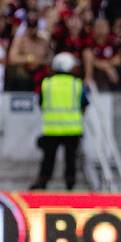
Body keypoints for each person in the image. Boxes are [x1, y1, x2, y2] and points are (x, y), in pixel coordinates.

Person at [31, 52, 88, 191]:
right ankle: (70, 185)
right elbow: (84, 105)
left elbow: (41, 104)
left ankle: (43, 183)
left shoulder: (47, 84)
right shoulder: (77, 84)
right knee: (71, 159)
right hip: (73, 129)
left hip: (52, 129)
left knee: (48, 159)